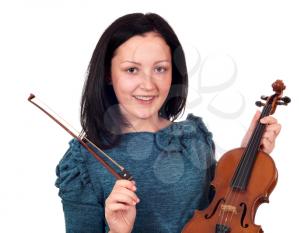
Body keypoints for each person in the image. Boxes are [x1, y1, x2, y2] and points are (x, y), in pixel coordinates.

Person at [55, 12, 281, 233]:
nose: (148, 85)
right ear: (107, 73)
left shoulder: (193, 139)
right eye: (132, 70)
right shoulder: (82, 161)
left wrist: (247, 155)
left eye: (160, 69)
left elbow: (221, 215)